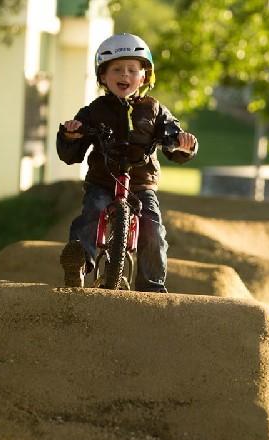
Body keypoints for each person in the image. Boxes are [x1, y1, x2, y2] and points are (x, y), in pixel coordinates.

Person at [56, 33, 198, 292]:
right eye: (117, 69)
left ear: (144, 77)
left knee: (152, 228)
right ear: (103, 77)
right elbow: (71, 154)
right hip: (103, 181)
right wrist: (71, 134)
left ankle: (152, 286)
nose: (125, 75)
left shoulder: (154, 110)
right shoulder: (94, 111)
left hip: (141, 184)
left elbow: (171, 138)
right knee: (92, 212)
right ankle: (78, 263)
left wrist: (182, 143)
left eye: (132, 69)